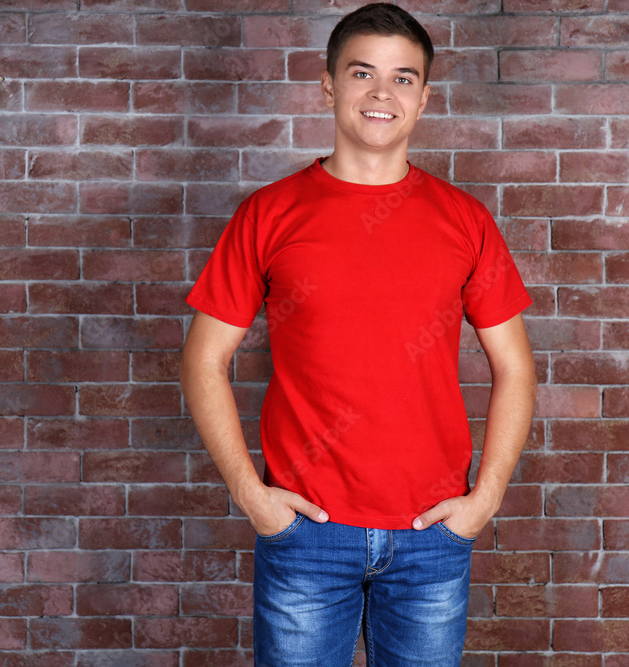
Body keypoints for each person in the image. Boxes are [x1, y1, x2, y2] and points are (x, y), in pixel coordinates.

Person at [179, 3, 537, 665]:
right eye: (362, 72)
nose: (381, 92)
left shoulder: (464, 220)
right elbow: (204, 358)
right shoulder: (269, 213)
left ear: (424, 98)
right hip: (305, 533)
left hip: (432, 534)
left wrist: (484, 499)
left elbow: (515, 366)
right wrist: (251, 495)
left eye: (403, 78)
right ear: (328, 84)